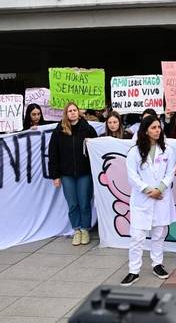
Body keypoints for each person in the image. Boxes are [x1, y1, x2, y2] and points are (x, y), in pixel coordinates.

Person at [120, 116, 176, 286]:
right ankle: (133, 271)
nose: (157, 130)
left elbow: (170, 172)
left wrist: (159, 189)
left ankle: (157, 264)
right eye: (153, 128)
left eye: (158, 127)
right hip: (142, 200)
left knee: (158, 234)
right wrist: (148, 190)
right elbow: (132, 176)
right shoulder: (134, 152)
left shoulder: (167, 150)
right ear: (145, 130)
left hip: (161, 197)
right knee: (137, 237)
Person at [48, 102, 98, 246]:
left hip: (84, 173)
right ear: (66, 113)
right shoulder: (59, 131)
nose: (72, 113)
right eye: (69, 111)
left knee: (84, 202)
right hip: (66, 174)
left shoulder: (87, 129)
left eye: (74, 110)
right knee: (72, 204)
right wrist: (55, 175)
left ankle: (85, 229)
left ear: (78, 112)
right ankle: (76, 230)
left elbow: (96, 148)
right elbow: (53, 154)